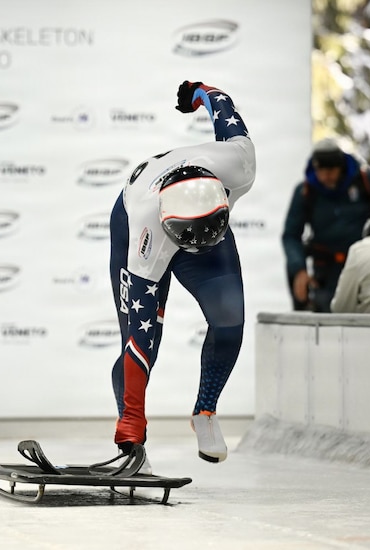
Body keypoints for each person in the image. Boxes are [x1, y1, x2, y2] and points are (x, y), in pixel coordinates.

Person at [108, 81, 255, 464]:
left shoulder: (238, 163)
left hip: (200, 220)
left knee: (229, 320)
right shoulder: (145, 232)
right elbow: (138, 340)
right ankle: (132, 434)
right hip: (140, 225)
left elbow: (219, 101)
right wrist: (132, 420)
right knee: (143, 339)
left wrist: (197, 91)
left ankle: (205, 411)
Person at [282, 138, 370, 312]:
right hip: (326, 272)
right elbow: (291, 235)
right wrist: (299, 269)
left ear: (341, 167)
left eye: (332, 170)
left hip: (365, 267)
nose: (326, 176)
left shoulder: (366, 182)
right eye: (322, 170)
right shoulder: (305, 191)